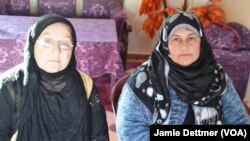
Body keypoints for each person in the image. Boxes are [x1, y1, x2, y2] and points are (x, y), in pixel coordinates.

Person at [116, 11, 250, 141]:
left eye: (191, 38)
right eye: (176, 39)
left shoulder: (217, 76)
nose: (184, 46)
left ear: (201, 42)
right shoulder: (143, 80)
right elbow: (130, 132)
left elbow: (240, 123)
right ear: (165, 45)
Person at [0, 14, 109, 141]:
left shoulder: (85, 84)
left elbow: (100, 136)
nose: (56, 50)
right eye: (47, 42)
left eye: (64, 44)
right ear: (32, 44)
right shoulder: (10, 87)